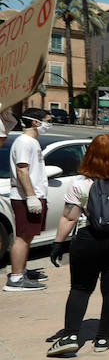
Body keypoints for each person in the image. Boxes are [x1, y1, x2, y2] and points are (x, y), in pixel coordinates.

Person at [45, 134, 109, 355]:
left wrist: (58, 243)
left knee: (80, 288)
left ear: (90, 155)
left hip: (89, 240)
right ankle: (103, 339)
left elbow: (69, 217)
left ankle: (70, 335)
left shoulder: (80, 184)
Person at [6, 108, 52, 292]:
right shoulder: (25, 142)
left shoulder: (31, 142)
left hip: (34, 196)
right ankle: (16, 279)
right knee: (23, 238)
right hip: (26, 198)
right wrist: (31, 196)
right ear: (35, 122)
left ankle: (21, 270)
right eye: (47, 120)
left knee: (28, 237)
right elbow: (22, 170)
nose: (49, 124)